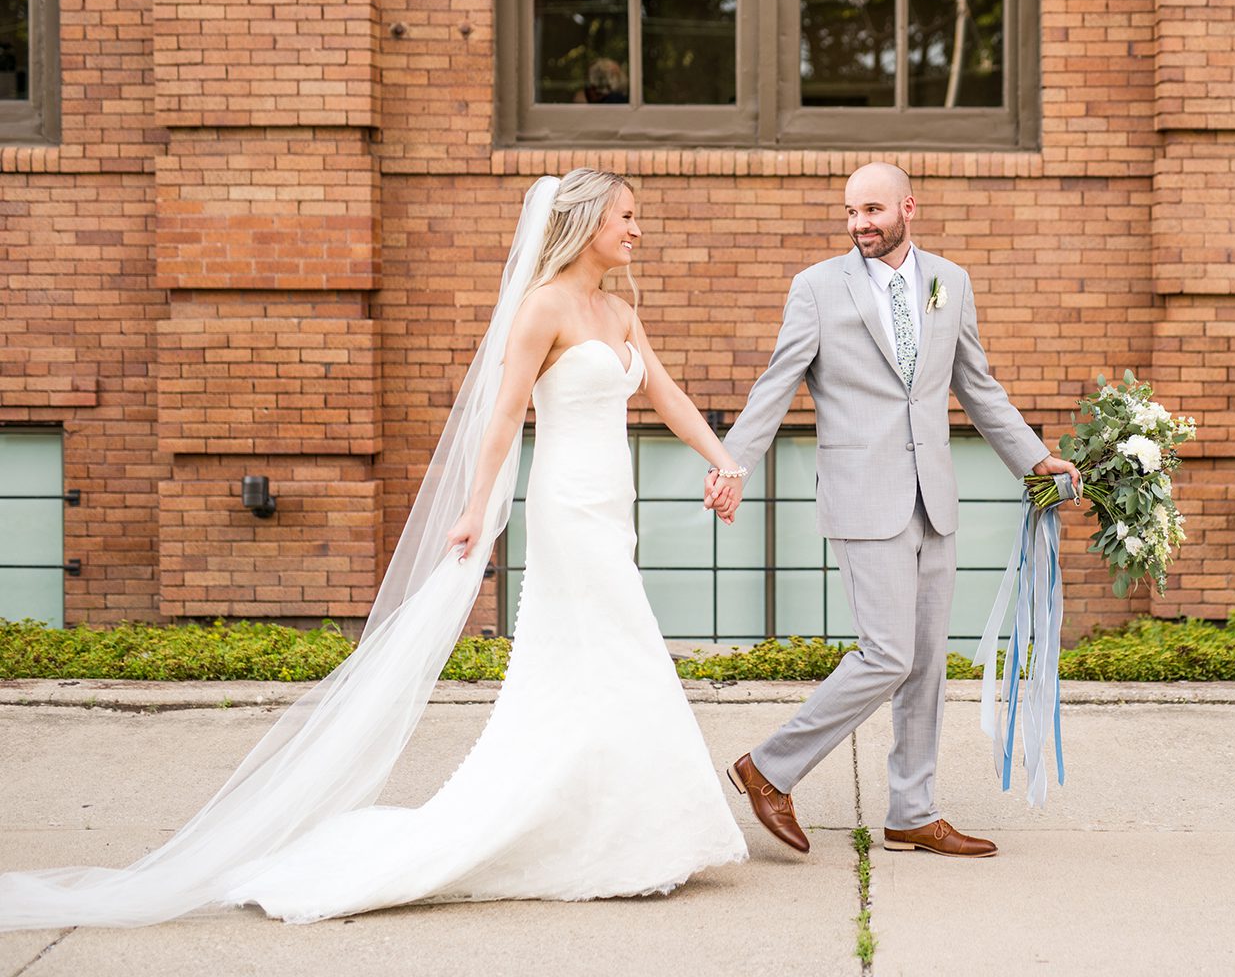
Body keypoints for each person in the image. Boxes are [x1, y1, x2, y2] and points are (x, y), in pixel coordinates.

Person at [0, 169, 746, 928]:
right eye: (627, 216)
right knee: (612, 650)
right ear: (590, 222)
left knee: (609, 658)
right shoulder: (540, 309)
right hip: (565, 509)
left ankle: (613, 823)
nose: (637, 229)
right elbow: (501, 417)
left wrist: (724, 460)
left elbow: (666, 394)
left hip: (612, 509)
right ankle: (602, 829)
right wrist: (475, 507)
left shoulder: (620, 311)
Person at [704, 162, 1080, 859]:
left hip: (931, 498)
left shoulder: (948, 282)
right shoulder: (817, 288)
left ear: (908, 206)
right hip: (861, 495)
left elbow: (978, 384)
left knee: (926, 662)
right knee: (886, 655)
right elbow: (776, 384)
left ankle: (912, 808)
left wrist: (1033, 458)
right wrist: (734, 464)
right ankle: (769, 767)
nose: (859, 224)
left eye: (872, 210)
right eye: (851, 213)